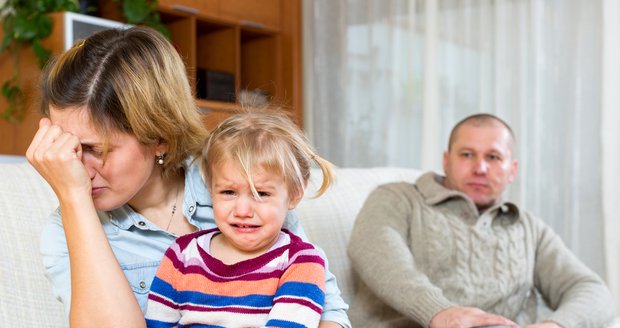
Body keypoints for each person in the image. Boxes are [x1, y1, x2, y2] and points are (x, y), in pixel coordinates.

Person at [26, 26, 350, 328]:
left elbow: (329, 314)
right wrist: (74, 200)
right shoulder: (66, 228)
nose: (77, 167)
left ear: (159, 137)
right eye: (65, 145)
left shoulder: (241, 184)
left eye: (94, 148)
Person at [347, 113, 616, 328]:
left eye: (493, 157)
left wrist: (556, 324)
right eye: (467, 154)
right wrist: (438, 312)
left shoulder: (528, 228)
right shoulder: (398, 198)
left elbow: (592, 290)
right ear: (446, 160)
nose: (480, 168)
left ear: (512, 170)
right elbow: (375, 252)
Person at [145, 111, 333, 327]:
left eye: (261, 194)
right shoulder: (180, 255)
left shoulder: (302, 262)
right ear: (210, 189)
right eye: (228, 192)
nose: (242, 210)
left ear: (295, 194)